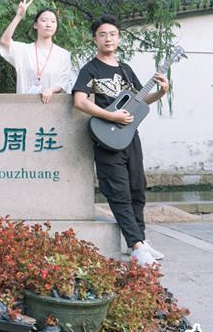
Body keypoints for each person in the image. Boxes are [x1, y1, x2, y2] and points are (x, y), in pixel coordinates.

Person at [72, 14, 169, 266]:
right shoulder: (90, 69)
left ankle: (140, 240)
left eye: (112, 34)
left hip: (130, 137)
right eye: (103, 34)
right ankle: (136, 247)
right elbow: (80, 101)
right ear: (95, 39)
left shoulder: (125, 69)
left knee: (137, 188)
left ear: (119, 38)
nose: (108, 38)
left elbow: (140, 100)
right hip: (106, 138)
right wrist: (111, 115)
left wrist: (161, 92)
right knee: (119, 192)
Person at [0, 0, 73, 103]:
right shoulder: (24, 51)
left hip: (52, 108)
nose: (49, 24)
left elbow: (64, 82)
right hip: (25, 107)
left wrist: (51, 90)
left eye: (53, 21)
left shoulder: (63, 54)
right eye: (44, 20)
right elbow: (4, 42)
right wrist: (18, 16)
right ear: (35, 25)